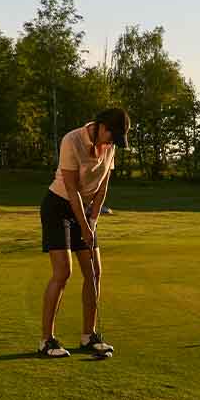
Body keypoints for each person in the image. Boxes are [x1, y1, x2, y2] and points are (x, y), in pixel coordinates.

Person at [38, 108, 130, 357]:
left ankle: (88, 336)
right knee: (63, 272)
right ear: (101, 126)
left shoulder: (110, 146)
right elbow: (71, 188)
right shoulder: (72, 140)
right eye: (111, 136)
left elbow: (103, 185)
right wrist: (84, 225)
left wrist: (93, 221)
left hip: (86, 209)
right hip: (58, 207)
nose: (111, 143)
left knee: (94, 272)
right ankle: (46, 340)